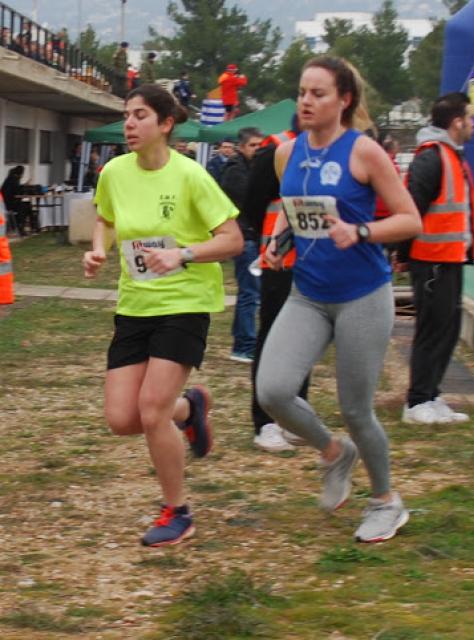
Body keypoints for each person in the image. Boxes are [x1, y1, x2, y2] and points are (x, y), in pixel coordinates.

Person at [256, 56, 421, 543]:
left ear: (344, 100)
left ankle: (386, 502)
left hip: (362, 296)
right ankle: (334, 452)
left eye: (318, 93)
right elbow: (292, 207)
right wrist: (278, 239)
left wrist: (361, 231)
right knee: (273, 392)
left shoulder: (364, 151)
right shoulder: (287, 152)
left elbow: (410, 219)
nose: (306, 101)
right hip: (308, 293)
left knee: (356, 409)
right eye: (302, 92)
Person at [82, 84, 243, 546]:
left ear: (166, 124)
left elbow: (232, 240)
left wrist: (183, 254)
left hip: (185, 303)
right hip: (135, 305)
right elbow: (106, 219)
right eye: (126, 115)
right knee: (122, 419)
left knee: (151, 411)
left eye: (140, 115)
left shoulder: (191, 176)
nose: (129, 124)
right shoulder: (114, 172)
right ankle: (189, 408)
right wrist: (98, 250)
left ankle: (178, 511)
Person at [399, 92, 474, 425]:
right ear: (457, 122)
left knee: (448, 329)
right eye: (471, 118)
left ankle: (431, 393)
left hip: (450, 257)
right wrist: (403, 253)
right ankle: (417, 401)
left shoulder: (451, 156)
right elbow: (411, 208)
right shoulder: (432, 158)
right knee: (432, 329)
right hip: (432, 259)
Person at [241, 121, 310, 452]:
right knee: (273, 338)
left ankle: (296, 416)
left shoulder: (336, 150)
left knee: (307, 339)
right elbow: (253, 203)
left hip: (316, 260)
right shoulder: (278, 148)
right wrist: (271, 241)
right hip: (281, 261)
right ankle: (265, 421)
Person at [220, 127, 265, 363]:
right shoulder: (235, 171)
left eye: (260, 145)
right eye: (253, 145)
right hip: (244, 238)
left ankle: (243, 342)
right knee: (250, 293)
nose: (257, 150)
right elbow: (250, 199)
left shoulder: (252, 168)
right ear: (242, 147)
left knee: (251, 293)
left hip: (254, 237)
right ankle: (244, 345)